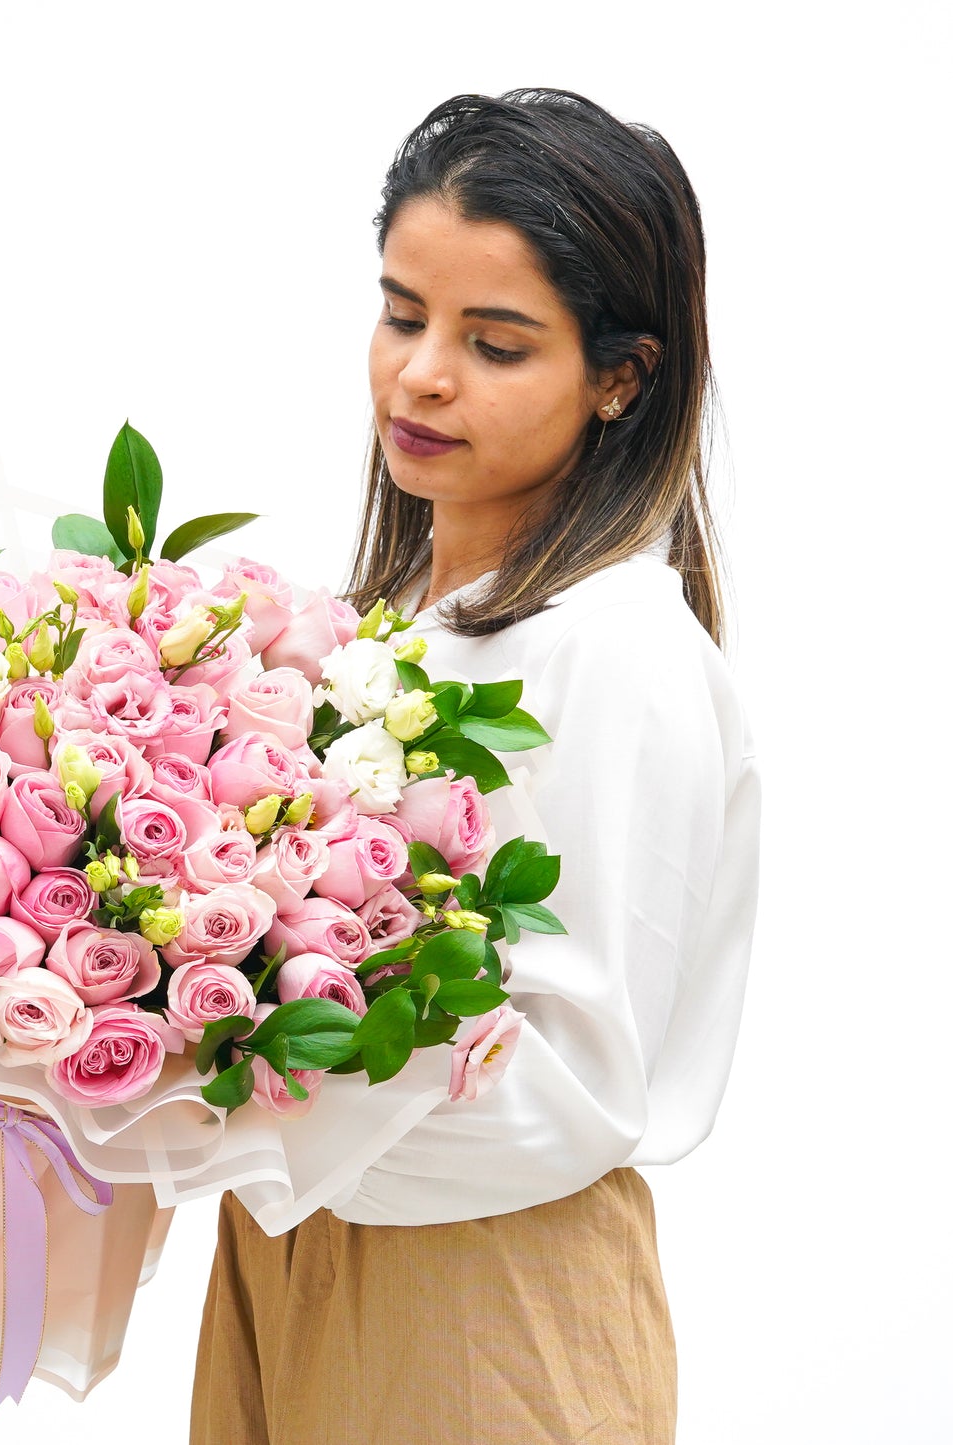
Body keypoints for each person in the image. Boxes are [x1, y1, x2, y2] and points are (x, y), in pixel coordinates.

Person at [189, 89, 761, 1444]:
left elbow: (568, 1087)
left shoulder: (611, 652)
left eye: (493, 343)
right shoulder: (401, 630)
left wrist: (206, 1104)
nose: (419, 374)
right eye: (402, 314)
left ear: (620, 375)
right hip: (298, 1259)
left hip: (483, 1295)